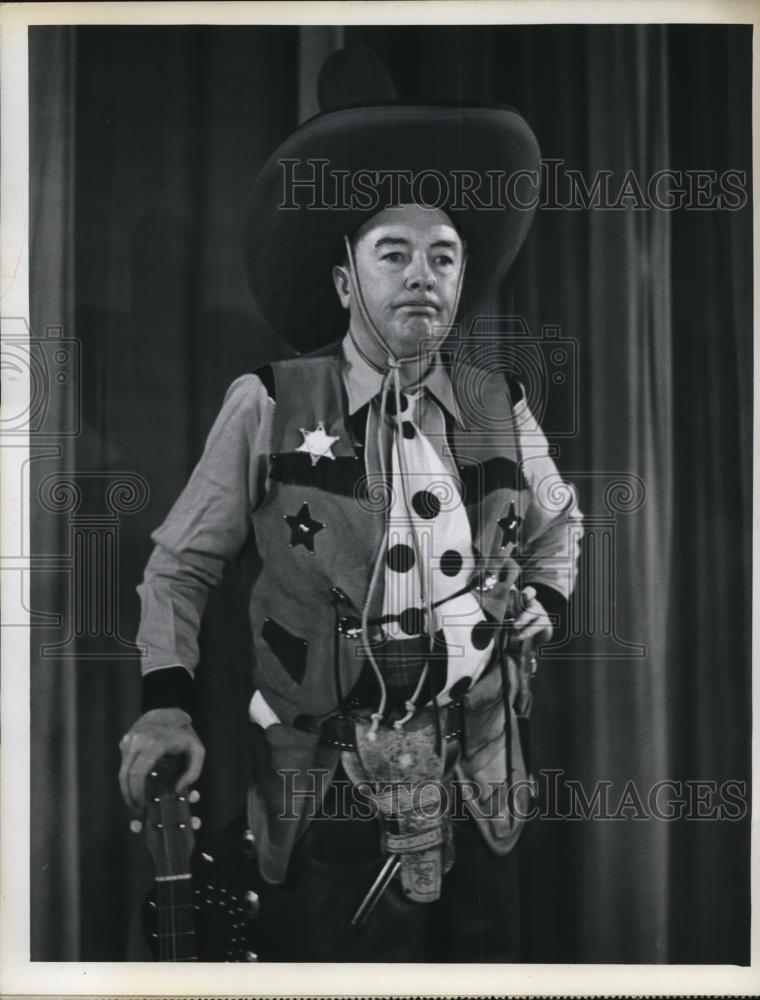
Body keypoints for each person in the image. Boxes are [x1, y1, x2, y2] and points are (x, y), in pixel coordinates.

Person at [119, 46, 583, 962]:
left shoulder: (502, 404)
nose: (424, 275)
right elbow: (179, 565)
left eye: (444, 257)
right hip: (324, 785)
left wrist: (547, 601)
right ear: (344, 281)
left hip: (479, 769)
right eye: (395, 253)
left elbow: (559, 525)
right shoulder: (268, 402)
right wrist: (166, 705)